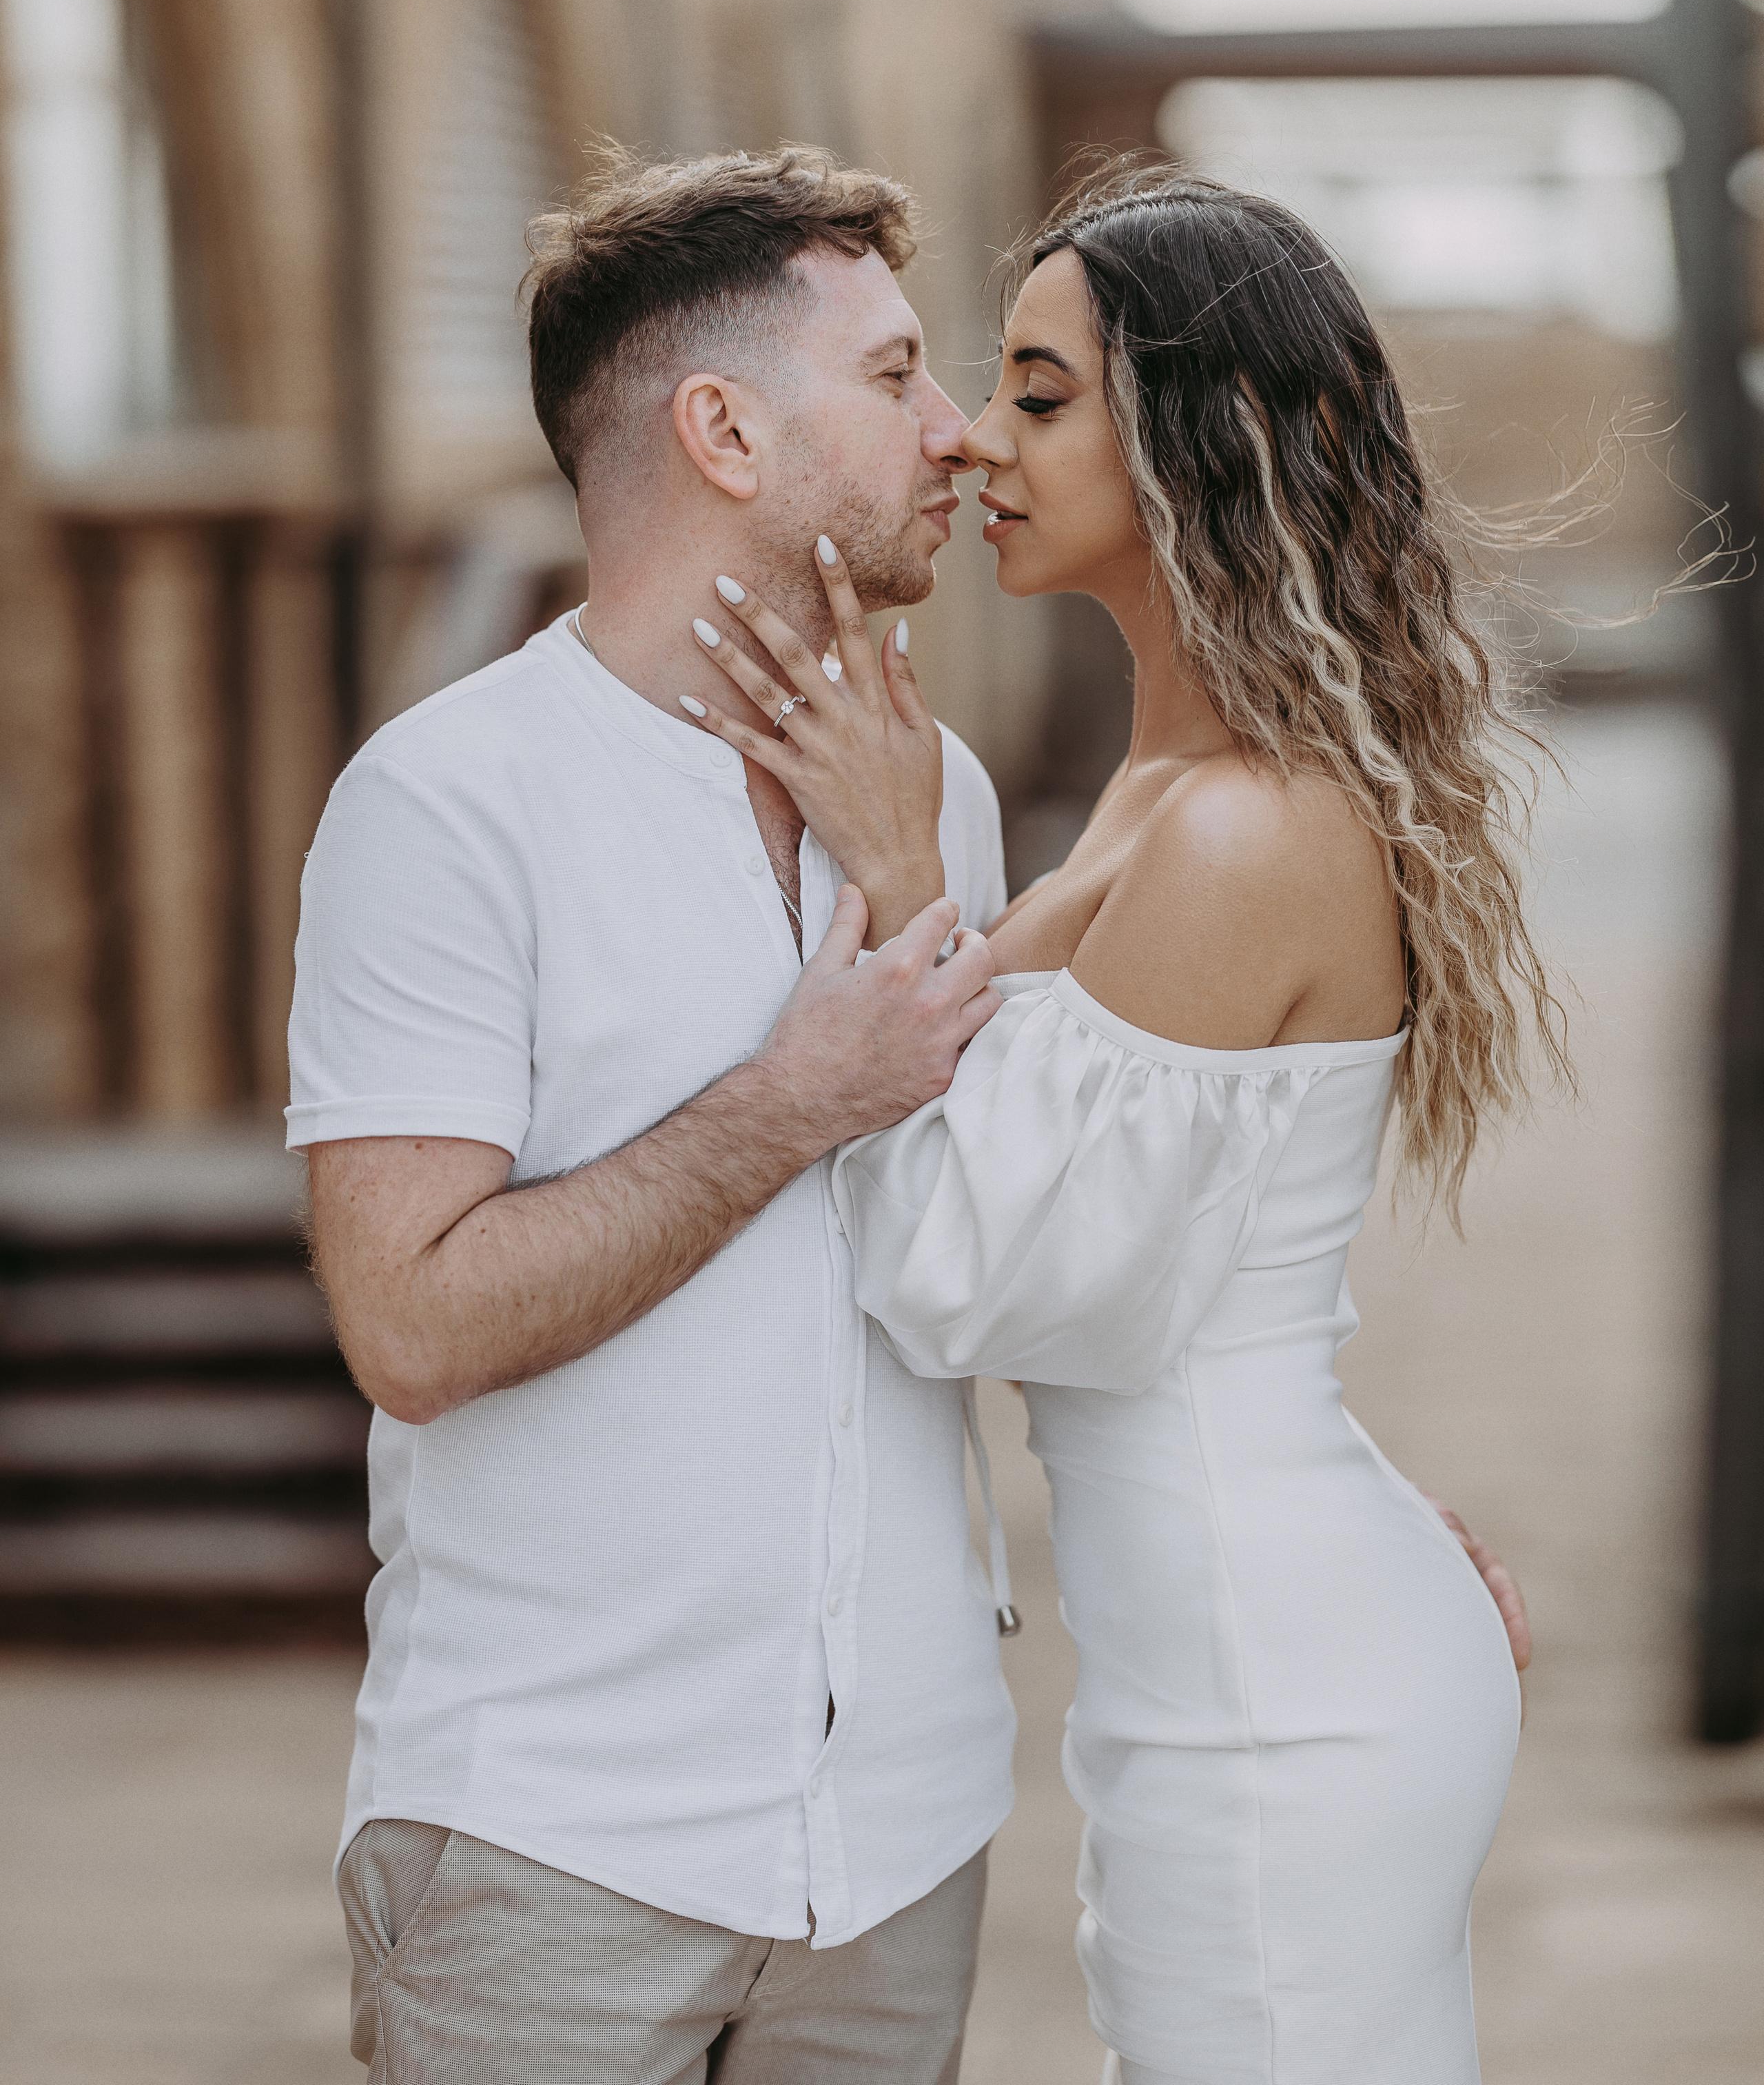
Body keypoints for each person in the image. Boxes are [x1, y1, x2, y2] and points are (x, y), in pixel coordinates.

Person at [293, 143, 1526, 2084]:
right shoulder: (451, 806)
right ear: (720, 427)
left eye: (1018, 390)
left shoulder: (934, 803)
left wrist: (1338, 1518)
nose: (958, 436)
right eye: (903, 379)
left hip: (903, 1838)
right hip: (564, 1831)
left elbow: (1104, 1240)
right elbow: (413, 1328)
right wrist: (792, 1102)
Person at [695, 162, 1550, 2084]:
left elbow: (972, 1283)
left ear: (1206, 433)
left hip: (1278, 1699)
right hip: (1246, 1658)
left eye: (1045, 393)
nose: (983, 444)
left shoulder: (1247, 828)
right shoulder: (1181, 791)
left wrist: (908, 869)